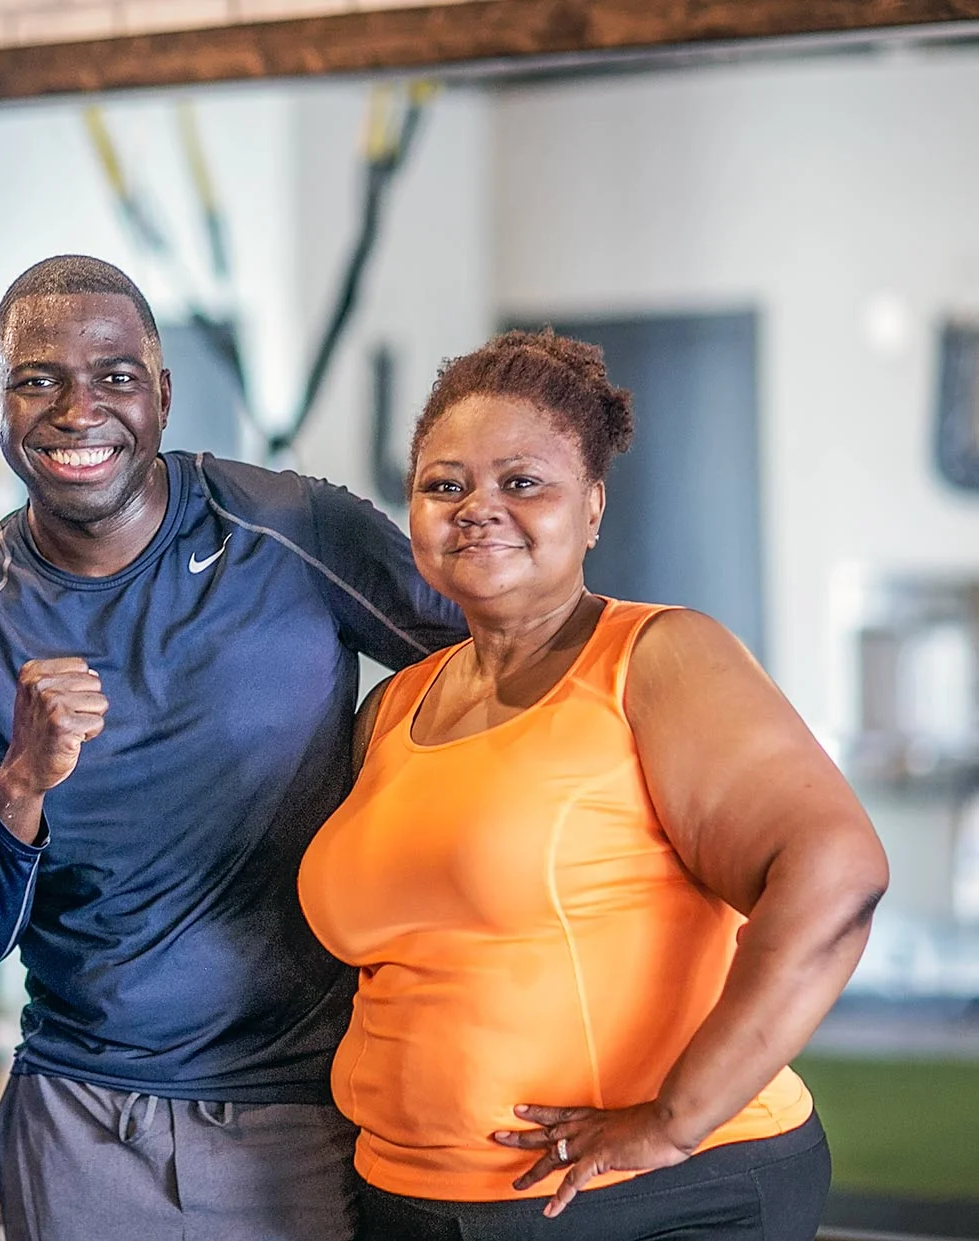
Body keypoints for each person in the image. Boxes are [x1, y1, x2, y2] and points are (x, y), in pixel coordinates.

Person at [0, 254, 464, 1240]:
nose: (78, 410)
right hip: (81, 1123)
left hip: (304, 1105)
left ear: (160, 393)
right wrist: (19, 785)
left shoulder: (291, 528)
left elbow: (500, 664)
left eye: (113, 376)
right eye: (37, 380)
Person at [299, 329, 891, 1240]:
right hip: (410, 1195)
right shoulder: (394, 706)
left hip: (640, 1199)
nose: (478, 508)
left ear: (592, 509)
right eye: (445, 485)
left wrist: (674, 1120)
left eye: (522, 482)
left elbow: (835, 873)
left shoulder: (654, 659)